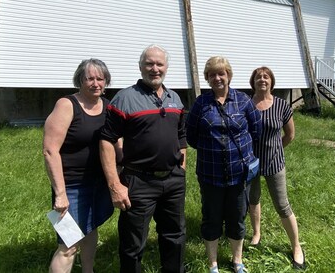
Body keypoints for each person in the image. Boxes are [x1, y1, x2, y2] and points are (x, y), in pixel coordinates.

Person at [100, 44, 187, 273]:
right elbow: (107, 141)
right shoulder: (125, 98)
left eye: (159, 64)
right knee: (132, 244)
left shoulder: (175, 98)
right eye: (149, 63)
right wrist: (115, 185)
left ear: (166, 67)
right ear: (140, 67)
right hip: (139, 182)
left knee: (175, 237)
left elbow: (181, 136)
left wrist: (182, 167)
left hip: (173, 181)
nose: (154, 68)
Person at [186, 56, 262, 273]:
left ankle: (237, 260)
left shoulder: (243, 100)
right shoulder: (201, 103)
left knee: (237, 218)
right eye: (212, 74)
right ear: (207, 79)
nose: (217, 78)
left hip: (239, 175)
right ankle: (213, 264)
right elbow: (191, 136)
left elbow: (255, 130)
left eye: (221, 73)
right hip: (210, 175)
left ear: (228, 75)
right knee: (211, 219)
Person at [43, 58, 118, 273]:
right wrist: (60, 193)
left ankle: (88, 270)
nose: (96, 83)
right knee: (68, 246)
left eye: (100, 79)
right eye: (90, 78)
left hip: (99, 183)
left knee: (90, 229)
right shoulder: (67, 105)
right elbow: (50, 150)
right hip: (72, 186)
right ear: (80, 80)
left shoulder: (108, 107)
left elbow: (116, 143)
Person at [247, 66, 305, 270]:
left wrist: (276, 149)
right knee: (253, 199)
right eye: (258, 77)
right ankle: (256, 233)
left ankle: (296, 246)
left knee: (282, 205)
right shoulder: (246, 105)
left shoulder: (281, 105)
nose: (262, 79)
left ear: (271, 81)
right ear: (252, 82)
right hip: (251, 164)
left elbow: (289, 135)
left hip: (274, 163)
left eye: (266, 77)